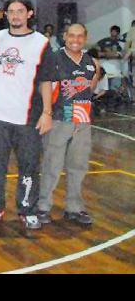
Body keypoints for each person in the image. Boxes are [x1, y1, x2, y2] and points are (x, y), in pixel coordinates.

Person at [0, 0, 55, 230]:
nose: (15, 15)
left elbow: (46, 81)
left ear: (30, 14)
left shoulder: (41, 42)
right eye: (11, 11)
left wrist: (47, 112)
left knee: (29, 167)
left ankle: (27, 209)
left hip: (28, 118)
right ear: (5, 15)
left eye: (20, 11)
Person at [37, 24, 101, 226]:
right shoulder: (54, 59)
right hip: (58, 118)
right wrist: (46, 113)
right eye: (71, 35)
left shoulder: (92, 62)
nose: (76, 39)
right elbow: (44, 86)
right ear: (64, 36)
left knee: (78, 166)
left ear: (85, 38)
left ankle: (74, 207)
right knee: (52, 165)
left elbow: (90, 88)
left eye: (80, 36)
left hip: (82, 120)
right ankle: (43, 207)